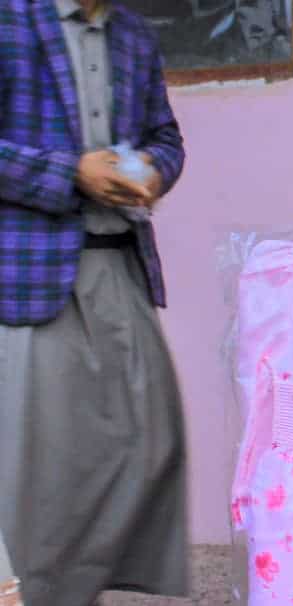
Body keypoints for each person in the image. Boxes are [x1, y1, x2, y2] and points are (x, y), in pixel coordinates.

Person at [0, 1, 188, 605]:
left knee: (150, 442)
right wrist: (69, 172)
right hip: (30, 272)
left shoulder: (132, 31)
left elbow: (165, 136)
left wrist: (152, 170)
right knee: (40, 472)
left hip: (122, 262)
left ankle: (78, 591)